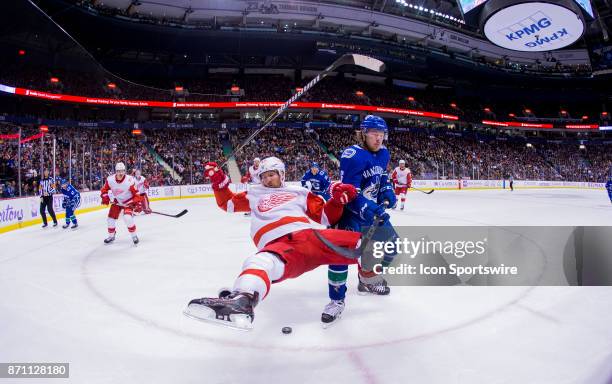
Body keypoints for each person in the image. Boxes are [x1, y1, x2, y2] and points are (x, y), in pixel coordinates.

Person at [184, 157, 363, 330]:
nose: (267, 179)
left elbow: (325, 216)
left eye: (271, 174)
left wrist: (337, 201)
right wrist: (218, 181)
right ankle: (242, 302)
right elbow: (228, 203)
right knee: (259, 262)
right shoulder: (255, 193)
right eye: (264, 176)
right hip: (281, 248)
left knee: (376, 244)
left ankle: (375, 278)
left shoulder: (299, 192)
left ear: (282, 174)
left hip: (311, 237)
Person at [323, 115, 398, 327]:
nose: (379, 138)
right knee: (341, 257)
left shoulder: (384, 153)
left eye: (382, 134)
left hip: (371, 211)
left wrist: (387, 189)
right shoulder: (352, 155)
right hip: (351, 213)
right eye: (374, 134)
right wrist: (369, 208)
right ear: (363, 133)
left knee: (393, 245)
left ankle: (367, 278)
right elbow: (349, 195)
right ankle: (336, 301)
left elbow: (382, 176)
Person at [100, 162, 143, 244]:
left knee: (127, 218)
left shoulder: (130, 180)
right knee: (110, 219)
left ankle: (134, 235)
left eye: (122, 171)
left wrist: (137, 204)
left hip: (128, 202)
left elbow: (137, 194)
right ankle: (111, 236)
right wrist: (105, 197)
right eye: (119, 171)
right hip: (117, 202)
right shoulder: (110, 179)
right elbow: (104, 190)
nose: (121, 173)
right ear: (116, 171)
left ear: (125, 171)